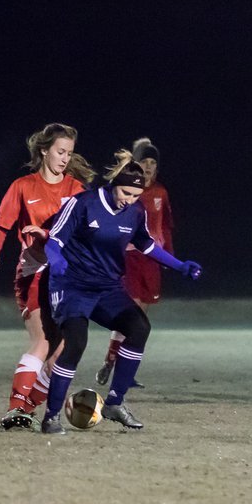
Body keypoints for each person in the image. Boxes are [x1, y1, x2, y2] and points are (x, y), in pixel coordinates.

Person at [39, 151, 203, 435]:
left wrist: (179, 265)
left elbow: (146, 245)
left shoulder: (135, 211)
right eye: (126, 192)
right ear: (113, 183)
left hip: (107, 288)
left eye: (136, 194)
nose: (130, 199)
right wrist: (55, 257)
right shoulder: (83, 204)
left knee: (139, 326)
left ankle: (115, 402)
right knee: (76, 342)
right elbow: (55, 239)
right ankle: (51, 417)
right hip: (72, 286)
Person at [0, 123, 94, 431]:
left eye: (69, 153)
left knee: (64, 348)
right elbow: (1, 225)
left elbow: (83, 232)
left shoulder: (76, 190)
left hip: (67, 275)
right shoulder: (23, 186)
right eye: (60, 151)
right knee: (43, 341)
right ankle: (15, 407)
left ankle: (27, 406)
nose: (64, 158)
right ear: (44, 150)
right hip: (35, 272)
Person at [96, 136, 175, 387]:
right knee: (132, 313)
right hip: (129, 258)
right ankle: (113, 362)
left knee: (142, 317)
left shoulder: (161, 192)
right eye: (145, 161)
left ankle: (121, 367)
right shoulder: (128, 190)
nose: (149, 166)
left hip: (151, 261)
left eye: (153, 162)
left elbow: (165, 227)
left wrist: (170, 258)